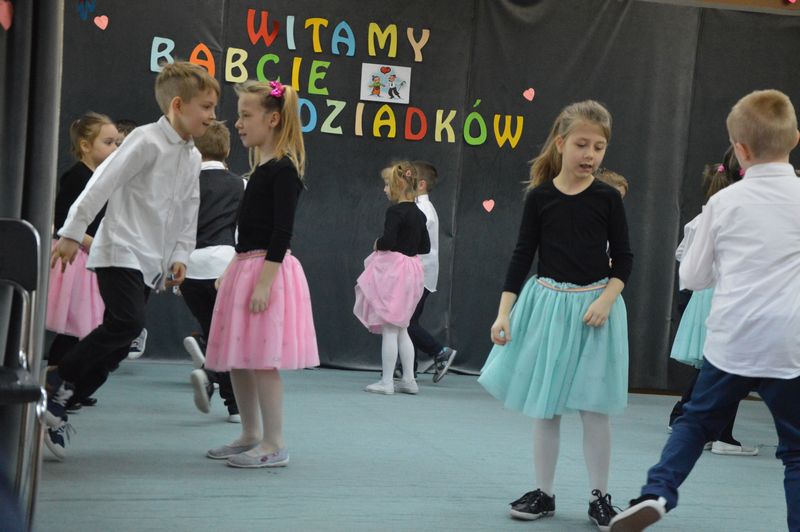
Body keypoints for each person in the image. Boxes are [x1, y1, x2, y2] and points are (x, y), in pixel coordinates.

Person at [610, 89, 800, 531]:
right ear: (794, 139)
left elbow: (693, 276)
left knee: (695, 423)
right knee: (796, 451)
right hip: (788, 341)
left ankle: (658, 492)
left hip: (733, 338)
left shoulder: (724, 202)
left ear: (739, 150)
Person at [45, 61, 219, 460]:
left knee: (123, 342)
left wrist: (180, 254)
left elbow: (188, 208)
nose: (213, 116)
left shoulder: (192, 156)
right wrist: (72, 231)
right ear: (178, 105)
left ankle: (63, 396)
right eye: (206, 107)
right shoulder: (145, 140)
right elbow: (101, 182)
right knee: (127, 323)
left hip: (149, 262)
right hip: (119, 249)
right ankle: (57, 380)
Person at [478, 100, 633, 530]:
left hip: (595, 312)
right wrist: (503, 313)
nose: (590, 155)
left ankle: (599, 497)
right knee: (545, 407)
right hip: (547, 308)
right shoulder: (541, 197)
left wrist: (606, 300)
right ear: (561, 143)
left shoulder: (607, 198)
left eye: (599, 147)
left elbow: (624, 258)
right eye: (582, 144)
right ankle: (543, 493)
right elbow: (522, 255)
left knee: (595, 409)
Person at [204, 80, 319, 469]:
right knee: (239, 357)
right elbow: (247, 233)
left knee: (262, 361)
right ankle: (251, 433)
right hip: (246, 267)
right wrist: (232, 268)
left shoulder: (284, 170)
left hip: (266, 271)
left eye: (245, 115)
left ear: (272, 119)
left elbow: (281, 232)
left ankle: (274, 443)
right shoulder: (260, 171)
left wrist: (265, 284)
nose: (238, 123)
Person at [667, 147, 756, 456]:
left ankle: (698, 425)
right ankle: (718, 434)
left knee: (717, 366)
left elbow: (687, 261)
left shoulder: (712, 214)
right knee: (727, 366)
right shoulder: (735, 214)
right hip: (722, 294)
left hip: (707, 294)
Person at [46, 112, 118, 410]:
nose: (115, 149)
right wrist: (96, 245)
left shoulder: (100, 178)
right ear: (86, 146)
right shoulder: (77, 177)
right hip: (75, 260)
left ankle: (71, 383)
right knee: (72, 329)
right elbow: (65, 223)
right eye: (109, 143)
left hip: (90, 258)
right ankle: (57, 383)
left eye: (117, 143)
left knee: (84, 328)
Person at [180, 120, 244, 424]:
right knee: (229, 335)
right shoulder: (240, 185)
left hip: (189, 267)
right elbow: (243, 232)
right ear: (227, 149)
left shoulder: (184, 182)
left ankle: (208, 363)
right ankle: (232, 403)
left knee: (213, 329)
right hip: (223, 266)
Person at [354, 161, 430, 395]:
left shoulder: (395, 212)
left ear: (399, 186)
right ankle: (409, 380)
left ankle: (387, 381)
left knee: (390, 327)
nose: (385, 189)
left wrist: (378, 243)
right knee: (402, 327)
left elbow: (388, 241)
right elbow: (425, 247)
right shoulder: (419, 214)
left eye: (387, 184)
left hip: (396, 271)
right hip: (413, 271)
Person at [406, 160, 457, 382]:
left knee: (406, 322)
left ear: (421, 184)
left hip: (419, 275)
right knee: (408, 321)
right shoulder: (419, 207)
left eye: (409, 178)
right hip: (420, 273)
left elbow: (414, 241)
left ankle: (439, 352)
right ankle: (407, 366)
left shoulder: (422, 209)